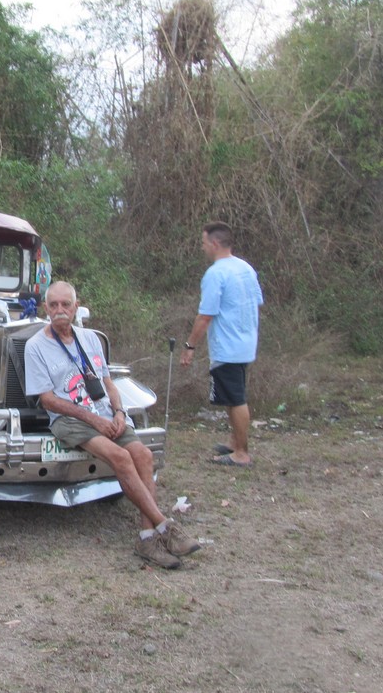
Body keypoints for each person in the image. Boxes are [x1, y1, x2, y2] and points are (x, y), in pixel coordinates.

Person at [25, 281, 200, 570]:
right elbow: (48, 400)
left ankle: (147, 538)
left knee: (143, 455)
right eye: (53, 305)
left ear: (76, 306)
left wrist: (119, 412)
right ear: (46, 308)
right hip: (71, 420)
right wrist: (93, 419)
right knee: (120, 457)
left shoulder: (91, 338)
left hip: (106, 413)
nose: (59, 310)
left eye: (65, 304)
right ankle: (165, 526)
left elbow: (108, 383)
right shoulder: (35, 346)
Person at [179, 221, 264, 467]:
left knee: (236, 398)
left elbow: (205, 315)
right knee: (232, 395)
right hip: (245, 342)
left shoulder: (216, 274)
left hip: (229, 346)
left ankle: (242, 453)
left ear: (215, 243)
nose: (202, 247)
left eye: (204, 242)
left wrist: (190, 346)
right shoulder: (245, 268)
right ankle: (234, 442)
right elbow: (256, 302)